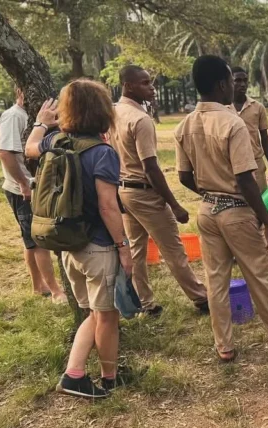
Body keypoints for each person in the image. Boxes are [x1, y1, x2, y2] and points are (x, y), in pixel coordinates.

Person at [174, 55, 268, 361]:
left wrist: (210, 192)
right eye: (230, 80)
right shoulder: (232, 123)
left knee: (216, 279)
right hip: (237, 211)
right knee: (258, 273)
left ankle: (224, 346)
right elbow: (245, 179)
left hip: (207, 211)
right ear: (221, 84)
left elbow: (184, 176)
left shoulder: (185, 125)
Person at [25, 80, 133, 399]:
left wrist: (41, 123)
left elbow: (29, 148)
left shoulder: (55, 141)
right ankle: (96, 377)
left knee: (94, 314)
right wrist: (123, 247)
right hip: (99, 246)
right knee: (107, 316)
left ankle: (87, 374)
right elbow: (107, 206)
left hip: (68, 245)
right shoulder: (102, 153)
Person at [111, 65, 208, 316]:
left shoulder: (113, 112)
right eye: (145, 83)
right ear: (128, 86)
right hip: (144, 192)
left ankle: (145, 302)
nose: (152, 87)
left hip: (124, 190)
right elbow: (151, 167)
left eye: (150, 82)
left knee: (137, 249)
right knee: (173, 249)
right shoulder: (140, 119)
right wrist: (174, 204)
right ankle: (201, 297)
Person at [0, 87, 65, 303]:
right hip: (23, 190)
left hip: (39, 187)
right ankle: (55, 291)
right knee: (38, 240)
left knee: (31, 238)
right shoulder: (13, 116)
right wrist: (23, 184)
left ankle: (38, 286)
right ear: (19, 90)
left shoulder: (36, 115)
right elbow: (4, 153)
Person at [230, 67, 268, 192]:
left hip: (255, 164)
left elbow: (265, 139)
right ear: (229, 82)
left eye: (245, 80)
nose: (242, 84)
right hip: (231, 166)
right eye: (238, 80)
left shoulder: (258, 107)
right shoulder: (223, 109)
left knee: (260, 200)